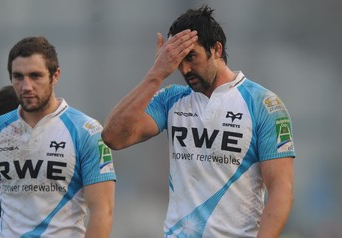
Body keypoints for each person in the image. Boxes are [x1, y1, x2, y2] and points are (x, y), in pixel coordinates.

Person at [102, 5, 294, 238]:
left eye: (191, 57)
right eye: (178, 60)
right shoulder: (172, 99)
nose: (184, 68)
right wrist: (156, 73)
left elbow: (281, 190)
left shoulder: (263, 104)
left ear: (216, 49)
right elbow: (113, 136)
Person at [0, 36, 116, 238]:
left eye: (35, 76)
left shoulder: (87, 130)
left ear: (56, 75)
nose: (26, 86)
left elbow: (102, 212)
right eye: (18, 77)